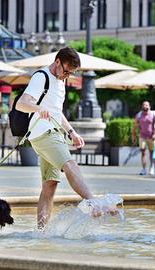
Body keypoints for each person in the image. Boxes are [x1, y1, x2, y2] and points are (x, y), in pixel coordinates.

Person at [16, 47, 105, 230]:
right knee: (69, 163)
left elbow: (57, 112)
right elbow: (22, 103)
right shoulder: (41, 76)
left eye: (71, 73)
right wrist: (38, 108)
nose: (67, 76)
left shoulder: (61, 82)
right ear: (57, 62)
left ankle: (41, 232)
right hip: (43, 132)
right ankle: (92, 201)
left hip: (54, 131)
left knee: (50, 185)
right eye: (66, 71)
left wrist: (71, 132)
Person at [132, 101, 155, 175]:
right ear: (142, 107)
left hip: (151, 136)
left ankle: (151, 168)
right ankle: (144, 169)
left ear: (149, 107)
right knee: (143, 152)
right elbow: (135, 126)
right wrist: (133, 136)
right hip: (142, 136)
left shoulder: (153, 114)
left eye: (147, 105)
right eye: (144, 105)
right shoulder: (139, 115)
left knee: (152, 152)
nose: (145, 106)